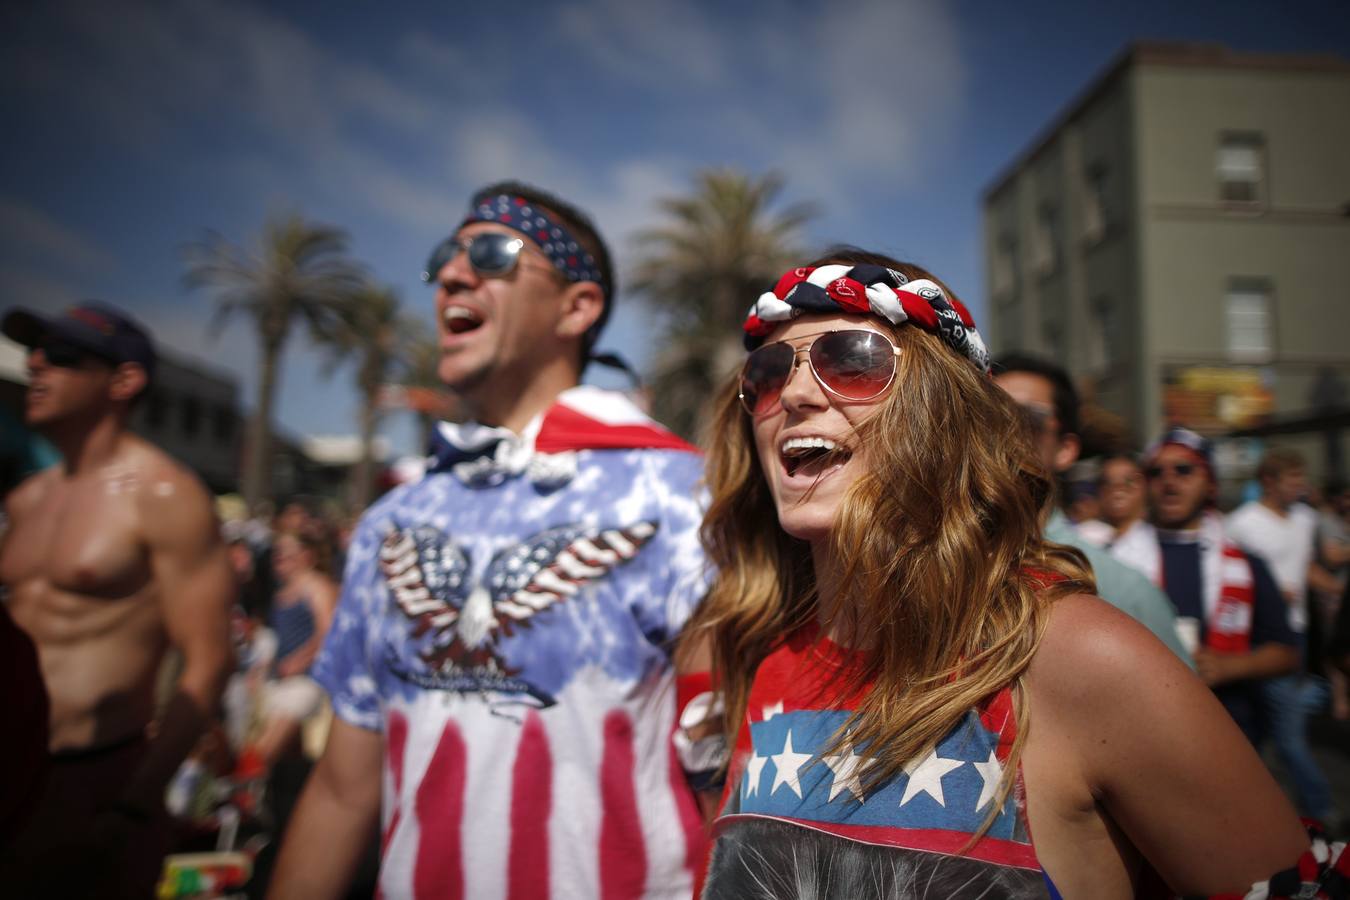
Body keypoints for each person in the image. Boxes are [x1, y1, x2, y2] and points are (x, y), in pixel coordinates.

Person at [682, 250, 1335, 899]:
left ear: (940, 409)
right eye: (766, 374)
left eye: (850, 358)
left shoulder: (1082, 659)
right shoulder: (750, 653)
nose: (792, 394)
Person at [269, 183, 710, 900]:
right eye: (447, 255)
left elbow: (735, 783)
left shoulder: (682, 501)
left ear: (578, 307)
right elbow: (344, 792)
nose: (451, 274)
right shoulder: (391, 521)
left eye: (492, 253)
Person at [0, 303, 234, 898]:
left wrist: (134, 802)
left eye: (62, 355)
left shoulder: (166, 495)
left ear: (124, 381)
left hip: (93, 780)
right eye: (35, 352)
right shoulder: (25, 500)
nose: (37, 366)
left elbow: (207, 661)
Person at [992, 353, 1192, 665]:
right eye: (986, 416)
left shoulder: (1123, 591)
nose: (1002, 434)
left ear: (1066, 449)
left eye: (1027, 419)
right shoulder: (936, 571)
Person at [1114, 428, 1301, 744]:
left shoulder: (1246, 564)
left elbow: (1286, 653)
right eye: (1157, 472)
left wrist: (1231, 666)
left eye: (1184, 470)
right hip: (1143, 734)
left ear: (1210, 482)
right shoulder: (1116, 561)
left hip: (1231, 729)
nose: (1170, 482)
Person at [1225, 448, 1336, 826]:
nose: (1300, 488)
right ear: (1269, 482)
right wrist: (1268, 594)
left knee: (1268, 730)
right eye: (1292, 481)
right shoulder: (1242, 522)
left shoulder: (1306, 519)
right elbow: (1229, 575)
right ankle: (1320, 809)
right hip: (1255, 640)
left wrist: (1335, 589)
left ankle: (1260, 807)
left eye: (1301, 480)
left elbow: (1305, 568)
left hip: (1297, 638)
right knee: (1275, 732)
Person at [246, 529, 339, 768]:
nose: (279, 559)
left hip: (304, 680)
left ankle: (241, 795)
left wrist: (299, 661)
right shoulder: (282, 590)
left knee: (264, 751)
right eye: (277, 554)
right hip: (278, 678)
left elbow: (327, 634)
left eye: (286, 554)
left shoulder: (317, 586)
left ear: (307, 556)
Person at [1099, 452, 1150, 549]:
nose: (1117, 489)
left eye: (1129, 481)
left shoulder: (1158, 541)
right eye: (1107, 482)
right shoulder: (1087, 538)